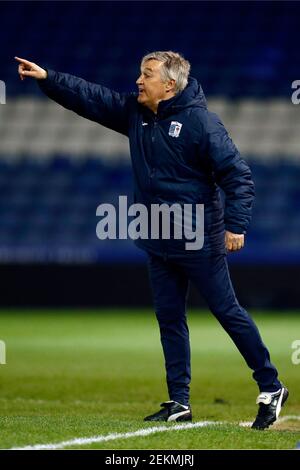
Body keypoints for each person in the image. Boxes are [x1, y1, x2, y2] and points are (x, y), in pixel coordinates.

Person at [15, 51, 288, 430]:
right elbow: (91, 99)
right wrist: (48, 78)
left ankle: (270, 386)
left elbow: (238, 176)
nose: (139, 81)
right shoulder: (136, 112)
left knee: (227, 312)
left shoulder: (202, 124)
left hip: (197, 238)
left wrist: (235, 226)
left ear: (169, 85)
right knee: (170, 319)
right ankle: (179, 400)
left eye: (147, 75)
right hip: (157, 235)